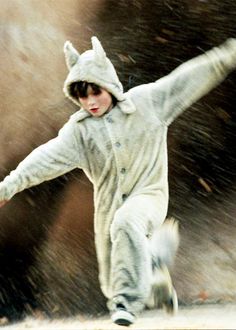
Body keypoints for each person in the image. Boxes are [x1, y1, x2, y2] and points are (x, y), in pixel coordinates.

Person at [0, 36, 236, 326]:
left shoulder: (147, 102)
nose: (90, 102)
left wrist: (228, 54)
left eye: (95, 92)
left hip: (148, 196)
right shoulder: (80, 132)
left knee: (127, 226)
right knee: (112, 279)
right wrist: (10, 185)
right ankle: (154, 269)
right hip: (108, 208)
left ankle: (129, 302)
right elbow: (46, 158)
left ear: (108, 84)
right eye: (82, 96)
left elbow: (187, 78)